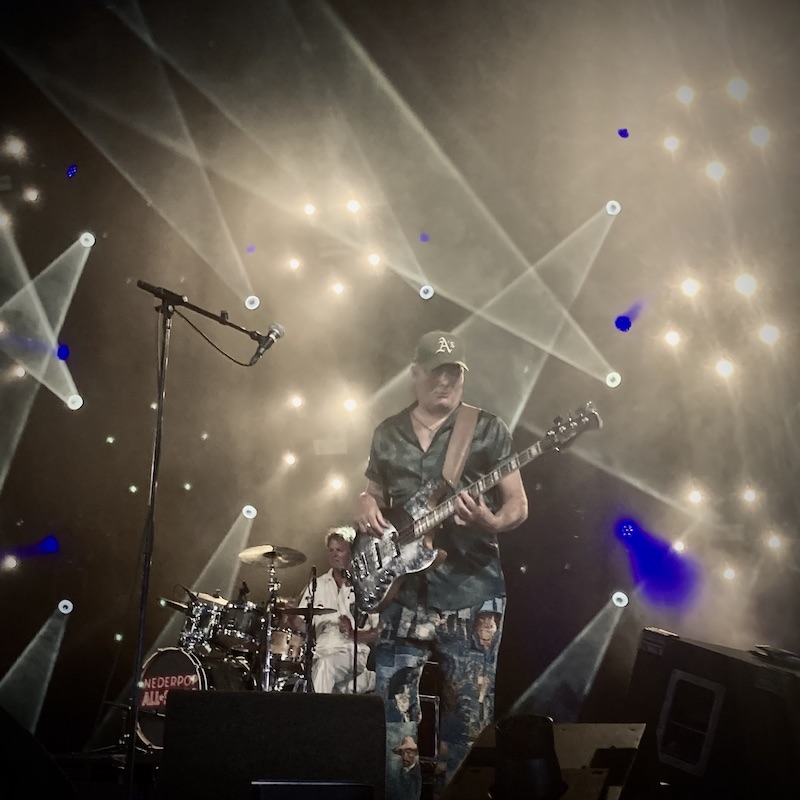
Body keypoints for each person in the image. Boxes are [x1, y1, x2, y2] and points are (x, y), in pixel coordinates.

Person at [354, 330, 529, 800]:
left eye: (454, 373)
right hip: (403, 592)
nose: (446, 381)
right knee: (394, 726)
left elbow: (517, 504)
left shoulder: (487, 428)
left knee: (467, 727)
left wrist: (491, 520)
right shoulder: (387, 432)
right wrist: (364, 502)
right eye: (436, 372)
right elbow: (374, 494)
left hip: (472, 593)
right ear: (415, 374)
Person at [289, 526, 380, 694]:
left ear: (352, 552)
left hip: (351, 654)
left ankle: (316, 712)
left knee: (325, 667)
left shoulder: (365, 584)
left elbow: (378, 632)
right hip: (320, 652)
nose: (334, 555)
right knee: (319, 674)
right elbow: (303, 626)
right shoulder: (317, 584)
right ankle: (368, 681)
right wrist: (292, 619)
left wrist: (353, 633)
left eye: (339, 550)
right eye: (331, 550)